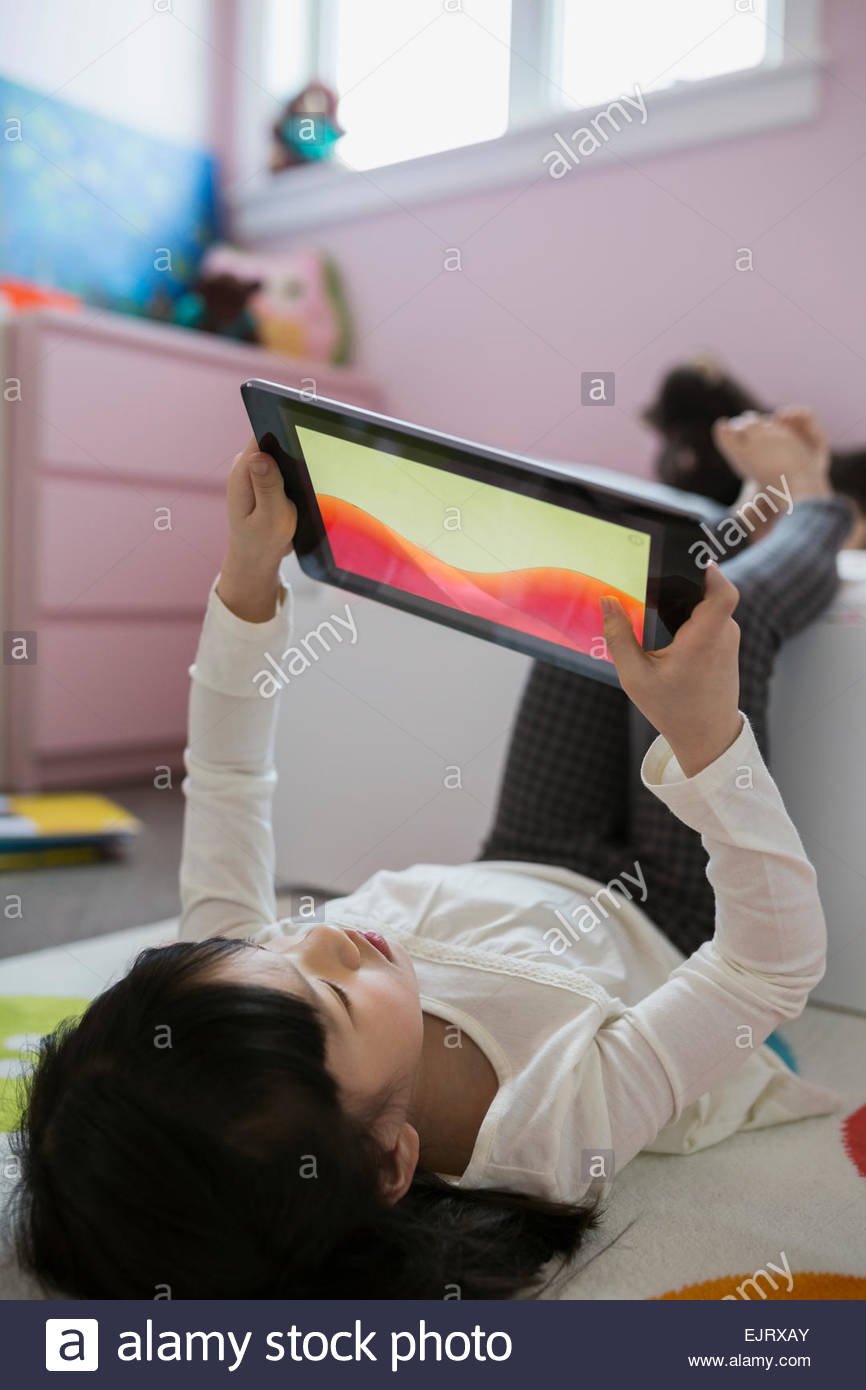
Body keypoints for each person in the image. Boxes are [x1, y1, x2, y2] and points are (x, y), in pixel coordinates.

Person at [11, 422, 850, 1301]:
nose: (324, 936)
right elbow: (767, 969)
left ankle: (734, 520)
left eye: (276, 948)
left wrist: (249, 583)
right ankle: (820, 498)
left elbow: (226, 776)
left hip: (527, 854)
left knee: (600, 606)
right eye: (334, 996)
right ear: (390, 1164)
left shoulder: (232, 981)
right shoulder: (552, 1133)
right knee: (721, 626)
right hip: (670, 916)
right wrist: (709, 740)